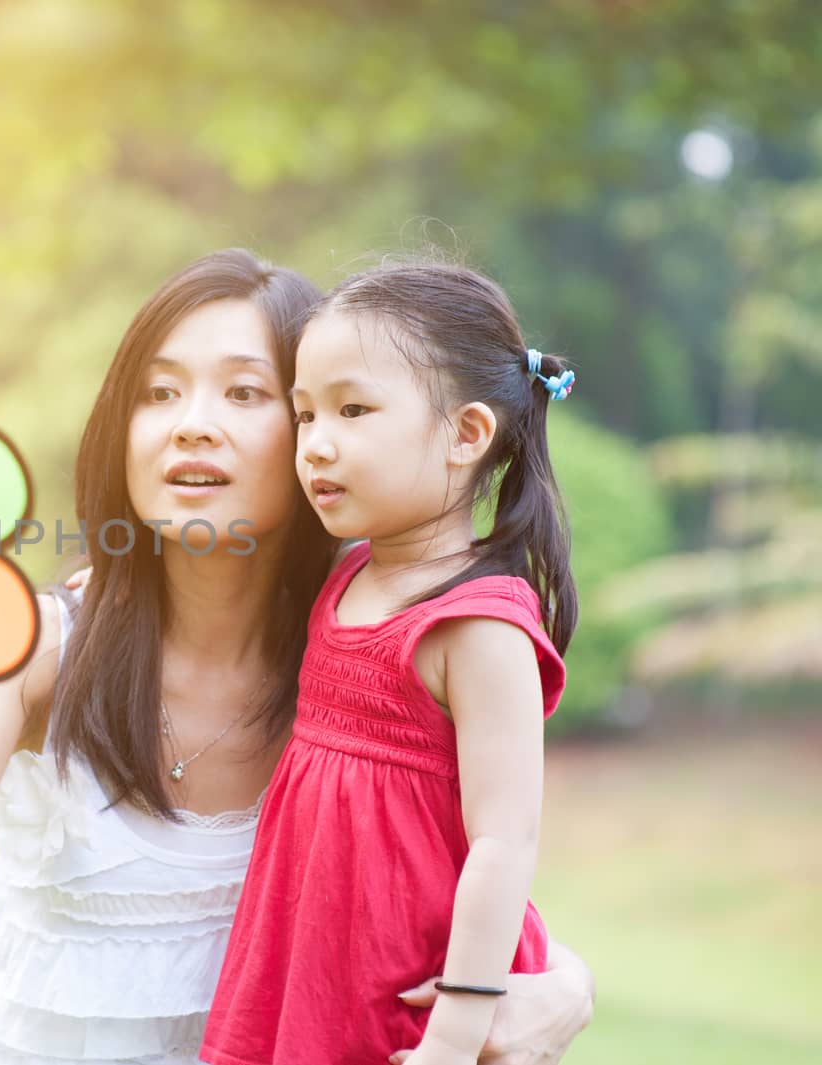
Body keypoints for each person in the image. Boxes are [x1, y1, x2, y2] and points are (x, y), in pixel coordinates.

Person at [0, 250, 595, 1065]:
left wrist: (566, 985)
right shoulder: (39, 642)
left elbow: (461, 866)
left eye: (244, 393)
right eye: (159, 392)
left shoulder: (370, 650)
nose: (192, 422)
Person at [200, 261, 581, 1065]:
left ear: (466, 433)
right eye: (305, 415)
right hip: (308, 961)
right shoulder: (346, 574)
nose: (317, 443)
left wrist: (456, 1031)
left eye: (353, 409)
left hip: (407, 992)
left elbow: (504, 843)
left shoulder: (479, 625)